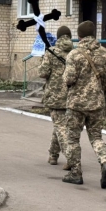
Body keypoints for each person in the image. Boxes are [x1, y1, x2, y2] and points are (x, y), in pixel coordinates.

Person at [61, 21, 106, 188]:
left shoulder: (74, 54)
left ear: (79, 36)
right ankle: (105, 162)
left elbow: (68, 78)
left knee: (72, 139)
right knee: (96, 137)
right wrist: (103, 88)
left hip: (76, 104)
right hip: (97, 103)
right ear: (94, 34)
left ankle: (76, 173)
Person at [38, 26, 73, 169]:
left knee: (60, 126)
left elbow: (43, 73)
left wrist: (42, 61)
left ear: (58, 37)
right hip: (72, 96)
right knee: (59, 125)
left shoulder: (51, 52)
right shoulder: (76, 53)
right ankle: (53, 155)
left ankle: (71, 157)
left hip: (55, 96)